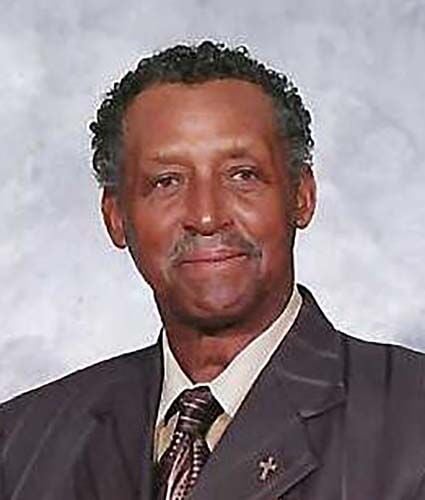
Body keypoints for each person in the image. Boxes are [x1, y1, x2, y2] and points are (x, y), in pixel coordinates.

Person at [1, 41, 424, 500]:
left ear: (301, 196)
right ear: (116, 217)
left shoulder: (411, 419)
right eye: (167, 181)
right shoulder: (20, 446)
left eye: (242, 175)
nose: (206, 216)